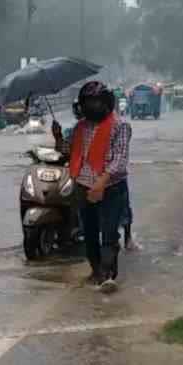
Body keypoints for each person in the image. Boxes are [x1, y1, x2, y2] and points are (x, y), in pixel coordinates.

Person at [53, 81, 131, 293]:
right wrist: (58, 137)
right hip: (83, 186)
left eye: (96, 101)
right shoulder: (80, 128)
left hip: (110, 187)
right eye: (88, 102)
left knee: (109, 233)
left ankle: (107, 275)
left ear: (105, 102)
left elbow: (120, 160)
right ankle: (95, 271)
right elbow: (68, 152)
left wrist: (101, 182)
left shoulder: (120, 126)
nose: (92, 106)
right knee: (89, 233)